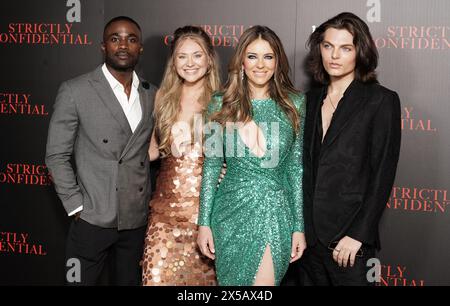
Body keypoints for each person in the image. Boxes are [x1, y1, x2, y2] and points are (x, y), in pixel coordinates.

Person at [45, 16, 156, 285]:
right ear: (103, 46)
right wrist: (76, 206)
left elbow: (152, 150)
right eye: (115, 38)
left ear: (140, 48)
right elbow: (56, 155)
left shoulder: (152, 93)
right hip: (92, 218)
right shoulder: (75, 90)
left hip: (136, 220)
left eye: (131, 39)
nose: (123, 45)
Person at [197, 25, 306, 286]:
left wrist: (299, 227)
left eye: (268, 56)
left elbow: (294, 168)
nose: (260, 65)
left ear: (277, 62)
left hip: (274, 211)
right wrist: (204, 223)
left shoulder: (295, 103)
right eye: (252, 56)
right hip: (229, 213)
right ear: (242, 61)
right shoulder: (220, 102)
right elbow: (211, 167)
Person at [301, 12, 401, 286]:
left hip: (350, 244)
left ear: (360, 52)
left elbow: (383, 173)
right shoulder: (307, 101)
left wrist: (358, 235)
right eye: (328, 46)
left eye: (345, 48)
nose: (334, 55)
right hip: (307, 244)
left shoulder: (381, 101)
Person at [141, 26, 220, 286]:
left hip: (208, 218)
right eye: (181, 56)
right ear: (173, 62)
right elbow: (153, 150)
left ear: (209, 60)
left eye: (197, 55)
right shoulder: (163, 97)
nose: (189, 63)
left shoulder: (223, 100)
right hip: (164, 217)